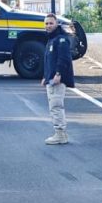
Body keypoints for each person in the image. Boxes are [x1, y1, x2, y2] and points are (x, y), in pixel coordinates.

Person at [41, 13, 74, 145]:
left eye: (51, 23)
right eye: (46, 23)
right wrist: (45, 76)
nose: (48, 26)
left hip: (57, 79)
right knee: (53, 105)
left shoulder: (61, 40)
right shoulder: (51, 40)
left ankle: (60, 134)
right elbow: (49, 60)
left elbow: (64, 59)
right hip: (51, 78)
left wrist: (58, 74)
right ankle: (60, 133)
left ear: (56, 24)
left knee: (56, 105)